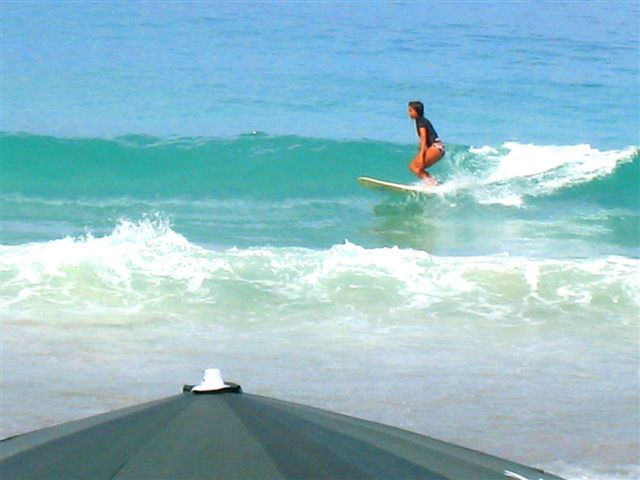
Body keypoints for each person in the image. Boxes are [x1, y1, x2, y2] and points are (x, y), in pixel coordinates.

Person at [407, 101, 445, 185]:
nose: (409, 113)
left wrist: (422, 154)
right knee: (417, 167)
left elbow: (423, 138)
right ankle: (435, 184)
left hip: (436, 148)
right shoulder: (421, 120)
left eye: (411, 111)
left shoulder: (420, 121)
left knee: (414, 166)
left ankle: (432, 184)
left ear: (417, 111)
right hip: (438, 148)